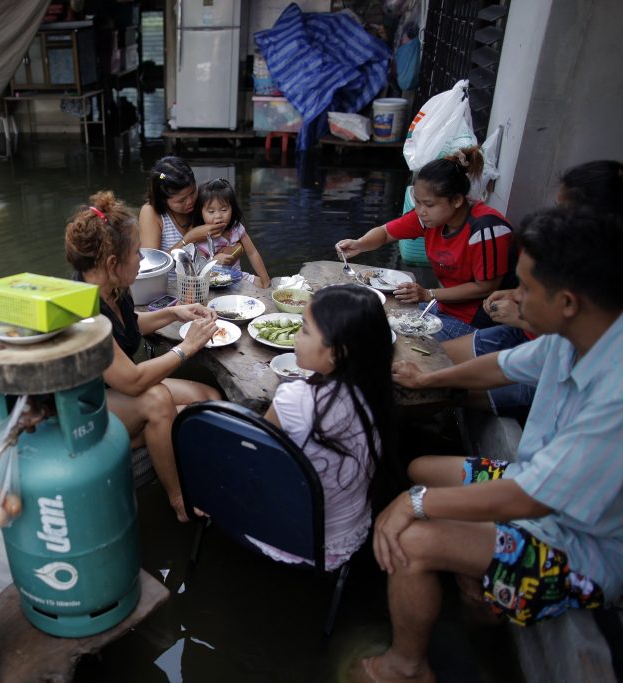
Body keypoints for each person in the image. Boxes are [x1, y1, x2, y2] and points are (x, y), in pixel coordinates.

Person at [354, 207, 623, 683]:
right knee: (419, 468)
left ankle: (406, 667)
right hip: (529, 489)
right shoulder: (574, 335)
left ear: (566, 301)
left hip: (573, 550)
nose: (512, 297)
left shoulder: (615, 392)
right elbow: (502, 366)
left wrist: (413, 505)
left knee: (411, 537)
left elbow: (530, 498)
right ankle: (475, 589)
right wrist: (428, 376)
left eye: (524, 288)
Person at [66, 190, 223, 522]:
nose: (141, 258)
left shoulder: (113, 289)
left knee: (208, 398)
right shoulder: (85, 312)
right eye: (136, 252)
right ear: (112, 263)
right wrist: (187, 348)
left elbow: (130, 324)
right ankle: (178, 500)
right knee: (157, 399)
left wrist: (175, 313)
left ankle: (144, 440)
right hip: (83, 409)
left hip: (113, 393)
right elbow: (133, 381)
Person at [442, 159, 623, 417]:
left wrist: (522, 316)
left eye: (563, 210)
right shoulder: (554, 345)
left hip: (534, 353)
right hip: (524, 340)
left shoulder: (598, 275)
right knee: (432, 362)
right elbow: (513, 361)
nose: (554, 216)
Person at [262, 285, 395, 569]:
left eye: (305, 330)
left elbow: (257, 454)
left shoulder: (294, 399)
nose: (296, 337)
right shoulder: (377, 392)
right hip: (345, 536)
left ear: (336, 353)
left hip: (293, 538)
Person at [336, 146, 515, 341]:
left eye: (428, 204)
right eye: (418, 202)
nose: (421, 211)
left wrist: (429, 293)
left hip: (477, 321)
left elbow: (485, 287)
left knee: (397, 340)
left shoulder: (486, 228)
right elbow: (386, 233)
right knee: (373, 316)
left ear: (456, 200)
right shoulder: (430, 218)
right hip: (443, 305)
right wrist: (360, 244)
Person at [138, 156, 241, 270]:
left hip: (208, 282)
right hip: (169, 286)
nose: (191, 201)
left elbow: (238, 242)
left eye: (192, 192)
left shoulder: (204, 203)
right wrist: (189, 239)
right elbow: (150, 266)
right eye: (181, 200)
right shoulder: (151, 212)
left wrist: (231, 253)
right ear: (163, 199)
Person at [193, 178, 271, 287]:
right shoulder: (201, 236)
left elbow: (252, 253)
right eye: (211, 211)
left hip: (238, 276)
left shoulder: (236, 228)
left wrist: (266, 280)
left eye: (224, 210)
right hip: (212, 283)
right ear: (201, 213)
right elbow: (197, 270)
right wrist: (214, 261)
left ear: (232, 209)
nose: (218, 215)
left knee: (263, 284)